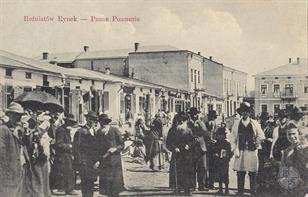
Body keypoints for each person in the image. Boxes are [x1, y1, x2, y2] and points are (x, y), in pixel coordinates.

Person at [230, 102, 265, 196]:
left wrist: (256, 143)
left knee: (252, 172)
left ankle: (253, 192)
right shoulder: (237, 124)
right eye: (243, 112)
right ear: (241, 113)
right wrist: (234, 149)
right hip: (241, 150)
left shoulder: (254, 123)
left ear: (250, 113)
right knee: (240, 172)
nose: (245, 113)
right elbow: (232, 137)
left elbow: (261, 135)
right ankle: (240, 192)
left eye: (247, 112)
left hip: (251, 151)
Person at [0, 102, 28, 197]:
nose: (18, 117)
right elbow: (2, 154)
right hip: (8, 173)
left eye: (20, 115)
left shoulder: (19, 130)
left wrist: (26, 133)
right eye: (16, 114)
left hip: (19, 169)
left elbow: (25, 146)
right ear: (9, 114)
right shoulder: (3, 130)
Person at [166, 112, 194, 196]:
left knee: (187, 172)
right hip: (177, 155)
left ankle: (187, 190)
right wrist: (174, 148)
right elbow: (168, 142)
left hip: (187, 155)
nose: (181, 123)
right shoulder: (172, 130)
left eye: (183, 121)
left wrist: (188, 145)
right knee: (177, 172)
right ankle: (176, 189)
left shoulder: (189, 130)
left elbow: (192, 141)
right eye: (179, 121)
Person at [97, 113, 124, 197]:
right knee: (106, 187)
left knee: (115, 187)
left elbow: (122, 145)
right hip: (104, 162)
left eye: (105, 123)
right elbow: (97, 147)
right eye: (102, 123)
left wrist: (115, 149)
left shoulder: (115, 130)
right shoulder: (99, 132)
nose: (104, 125)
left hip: (115, 162)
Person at [73, 111, 99, 197]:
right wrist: (79, 162)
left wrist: (97, 160)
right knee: (85, 184)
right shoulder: (80, 132)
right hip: (84, 162)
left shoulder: (95, 131)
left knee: (91, 183)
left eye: (94, 120)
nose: (92, 121)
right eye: (90, 119)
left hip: (93, 162)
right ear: (86, 119)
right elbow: (76, 148)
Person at [281, 123, 308, 197]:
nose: (292, 136)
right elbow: (284, 169)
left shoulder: (306, 149)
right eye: (289, 134)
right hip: (293, 188)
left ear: (299, 133)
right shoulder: (286, 152)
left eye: (294, 133)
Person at [54, 113, 78, 195]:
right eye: (69, 122)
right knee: (63, 171)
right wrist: (69, 146)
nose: (71, 124)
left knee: (70, 171)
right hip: (62, 155)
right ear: (66, 122)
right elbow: (58, 144)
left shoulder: (67, 130)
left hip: (67, 154)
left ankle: (69, 188)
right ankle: (62, 189)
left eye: (72, 123)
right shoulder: (61, 130)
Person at [187, 107, 209, 191]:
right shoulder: (188, 123)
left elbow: (205, 131)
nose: (194, 115)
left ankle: (201, 185)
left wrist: (198, 122)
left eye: (196, 114)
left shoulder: (200, 122)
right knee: (192, 167)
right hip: (191, 147)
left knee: (202, 167)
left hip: (201, 147)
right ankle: (192, 185)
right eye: (193, 114)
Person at [211, 127, 232, 195]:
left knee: (225, 175)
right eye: (219, 135)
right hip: (218, 161)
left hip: (224, 161)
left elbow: (230, 152)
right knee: (219, 175)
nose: (220, 136)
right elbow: (213, 151)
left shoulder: (227, 143)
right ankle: (220, 189)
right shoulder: (216, 143)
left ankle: (226, 189)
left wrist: (227, 157)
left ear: (224, 135)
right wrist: (215, 154)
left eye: (221, 135)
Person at [205, 110, 218, 189]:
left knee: (208, 166)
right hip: (211, 146)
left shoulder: (208, 123)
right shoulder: (212, 123)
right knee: (211, 166)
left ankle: (208, 183)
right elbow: (210, 135)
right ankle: (210, 183)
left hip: (209, 146)